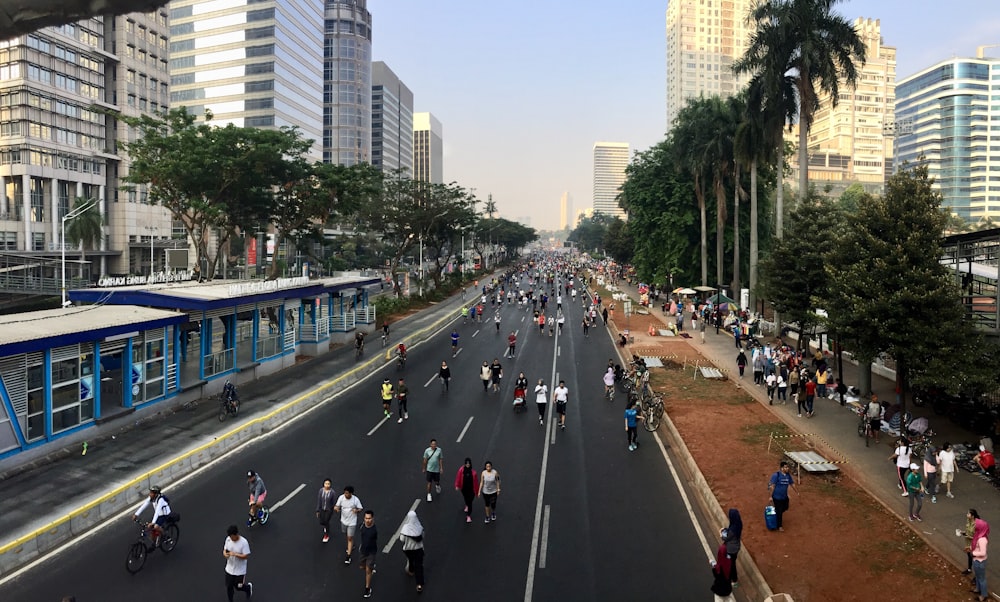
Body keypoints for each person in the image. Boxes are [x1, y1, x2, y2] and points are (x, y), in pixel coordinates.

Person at [223, 525, 253, 601]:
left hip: (240, 570)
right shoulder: (228, 539)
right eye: (229, 536)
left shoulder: (244, 542)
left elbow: (246, 556)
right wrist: (225, 554)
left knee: (238, 586)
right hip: (229, 568)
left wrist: (235, 554)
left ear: (236, 535)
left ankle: (248, 588)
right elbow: (225, 550)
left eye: (232, 536)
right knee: (229, 587)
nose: (230, 538)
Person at [334, 485, 364, 564]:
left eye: (347, 493)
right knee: (346, 534)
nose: (346, 495)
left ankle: (348, 556)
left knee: (350, 537)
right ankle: (351, 544)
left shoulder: (355, 500)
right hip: (343, 520)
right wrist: (336, 508)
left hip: (352, 522)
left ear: (351, 493)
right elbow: (336, 506)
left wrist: (356, 510)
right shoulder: (341, 498)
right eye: (345, 493)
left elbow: (360, 508)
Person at [767, 461, 797, 531]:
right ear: (781, 468)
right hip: (777, 497)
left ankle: (777, 512)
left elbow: (792, 483)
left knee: (786, 507)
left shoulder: (788, 476)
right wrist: (770, 496)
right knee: (779, 511)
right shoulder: (776, 475)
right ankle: (779, 526)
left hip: (784, 496)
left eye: (787, 467)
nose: (787, 468)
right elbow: (772, 486)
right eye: (786, 467)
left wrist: (797, 491)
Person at [399, 510, 425, 593]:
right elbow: (423, 536)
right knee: (419, 566)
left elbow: (401, 539)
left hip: (408, 550)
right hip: (418, 549)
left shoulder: (405, 528)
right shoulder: (419, 526)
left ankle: (411, 570)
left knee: (410, 560)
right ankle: (419, 584)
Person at [358, 510, 378, 599]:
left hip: (371, 552)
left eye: (369, 518)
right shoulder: (362, 526)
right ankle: (371, 566)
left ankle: (367, 588)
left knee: (367, 570)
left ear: (372, 519)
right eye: (366, 518)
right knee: (362, 567)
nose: (368, 520)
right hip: (363, 551)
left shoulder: (374, 530)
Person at [720, 508, 742, 586]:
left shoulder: (732, 530)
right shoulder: (738, 524)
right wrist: (726, 529)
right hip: (736, 547)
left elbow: (726, 538)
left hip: (731, 549)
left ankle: (734, 580)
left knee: (731, 564)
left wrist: (721, 533)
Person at [454, 457, 480, 523]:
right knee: (466, 499)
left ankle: (468, 516)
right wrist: (457, 485)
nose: (467, 465)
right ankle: (467, 505)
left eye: (469, 464)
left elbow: (476, 482)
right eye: (466, 463)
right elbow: (458, 477)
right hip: (464, 489)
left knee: (470, 502)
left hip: (471, 490)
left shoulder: (474, 473)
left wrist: (477, 492)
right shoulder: (461, 470)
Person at [970, 514, 989, 602]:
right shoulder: (978, 535)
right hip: (976, 560)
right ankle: (978, 589)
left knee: (981, 578)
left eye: (975, 525)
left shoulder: (982, 540)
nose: (974, 526)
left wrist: (973, 553)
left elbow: (983, 552)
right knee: (977, 576)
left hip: (980, 561)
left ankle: (983, 595)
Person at [315, 478, 335, 543]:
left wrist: (332, 510)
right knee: (322, 522)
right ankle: (326, 526)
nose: (327, 485)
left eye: (328, 484)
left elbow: (333, 502)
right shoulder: (321, 491)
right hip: (322, 509)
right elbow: (319, 500)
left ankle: (326, 535)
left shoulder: (332, 492)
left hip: (329, 510)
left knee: (326, 521)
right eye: (326, 484)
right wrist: (317, 510)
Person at [962, 509, 981, 577]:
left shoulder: (977, 525)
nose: (967, 515)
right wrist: (964, 533)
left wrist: (969, 537)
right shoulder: (968, 521)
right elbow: (968, 530)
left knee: (976, 561)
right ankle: (969, 569)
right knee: (969, 556)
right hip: (968, 543)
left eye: (968, 514)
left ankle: (977, 577)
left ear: (972, 516)